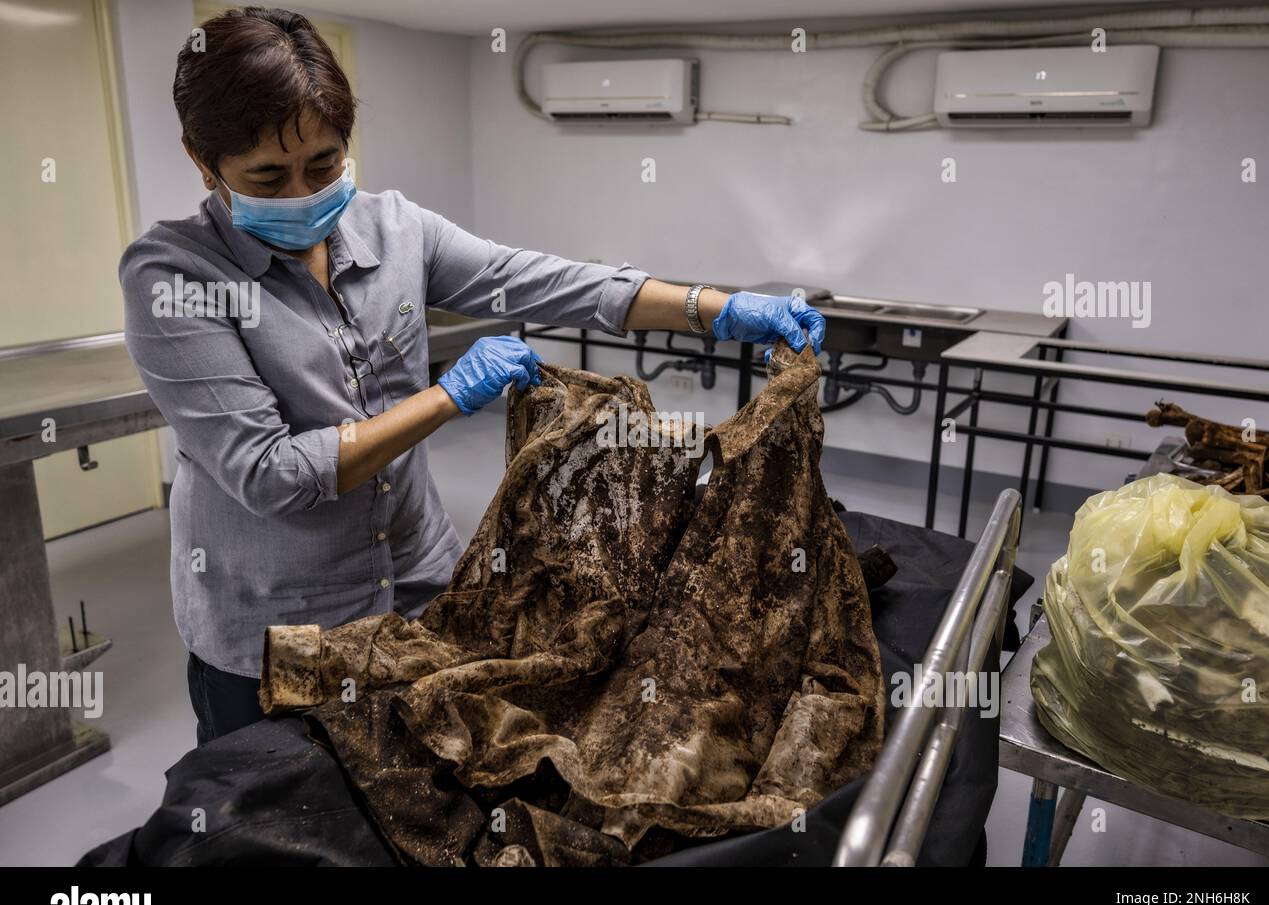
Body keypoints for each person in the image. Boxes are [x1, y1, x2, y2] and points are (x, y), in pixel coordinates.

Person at [120, 5, 826, 746]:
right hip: (276, 630)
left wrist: (708, 307)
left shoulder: (392, 229)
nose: (302, 196)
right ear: (203, 160)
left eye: (323, 165)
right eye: (268, 176)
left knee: (411, 809)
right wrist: (446, 397)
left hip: (417, 594)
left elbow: (542, 281)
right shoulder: (175, 276)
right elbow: (268, 474)